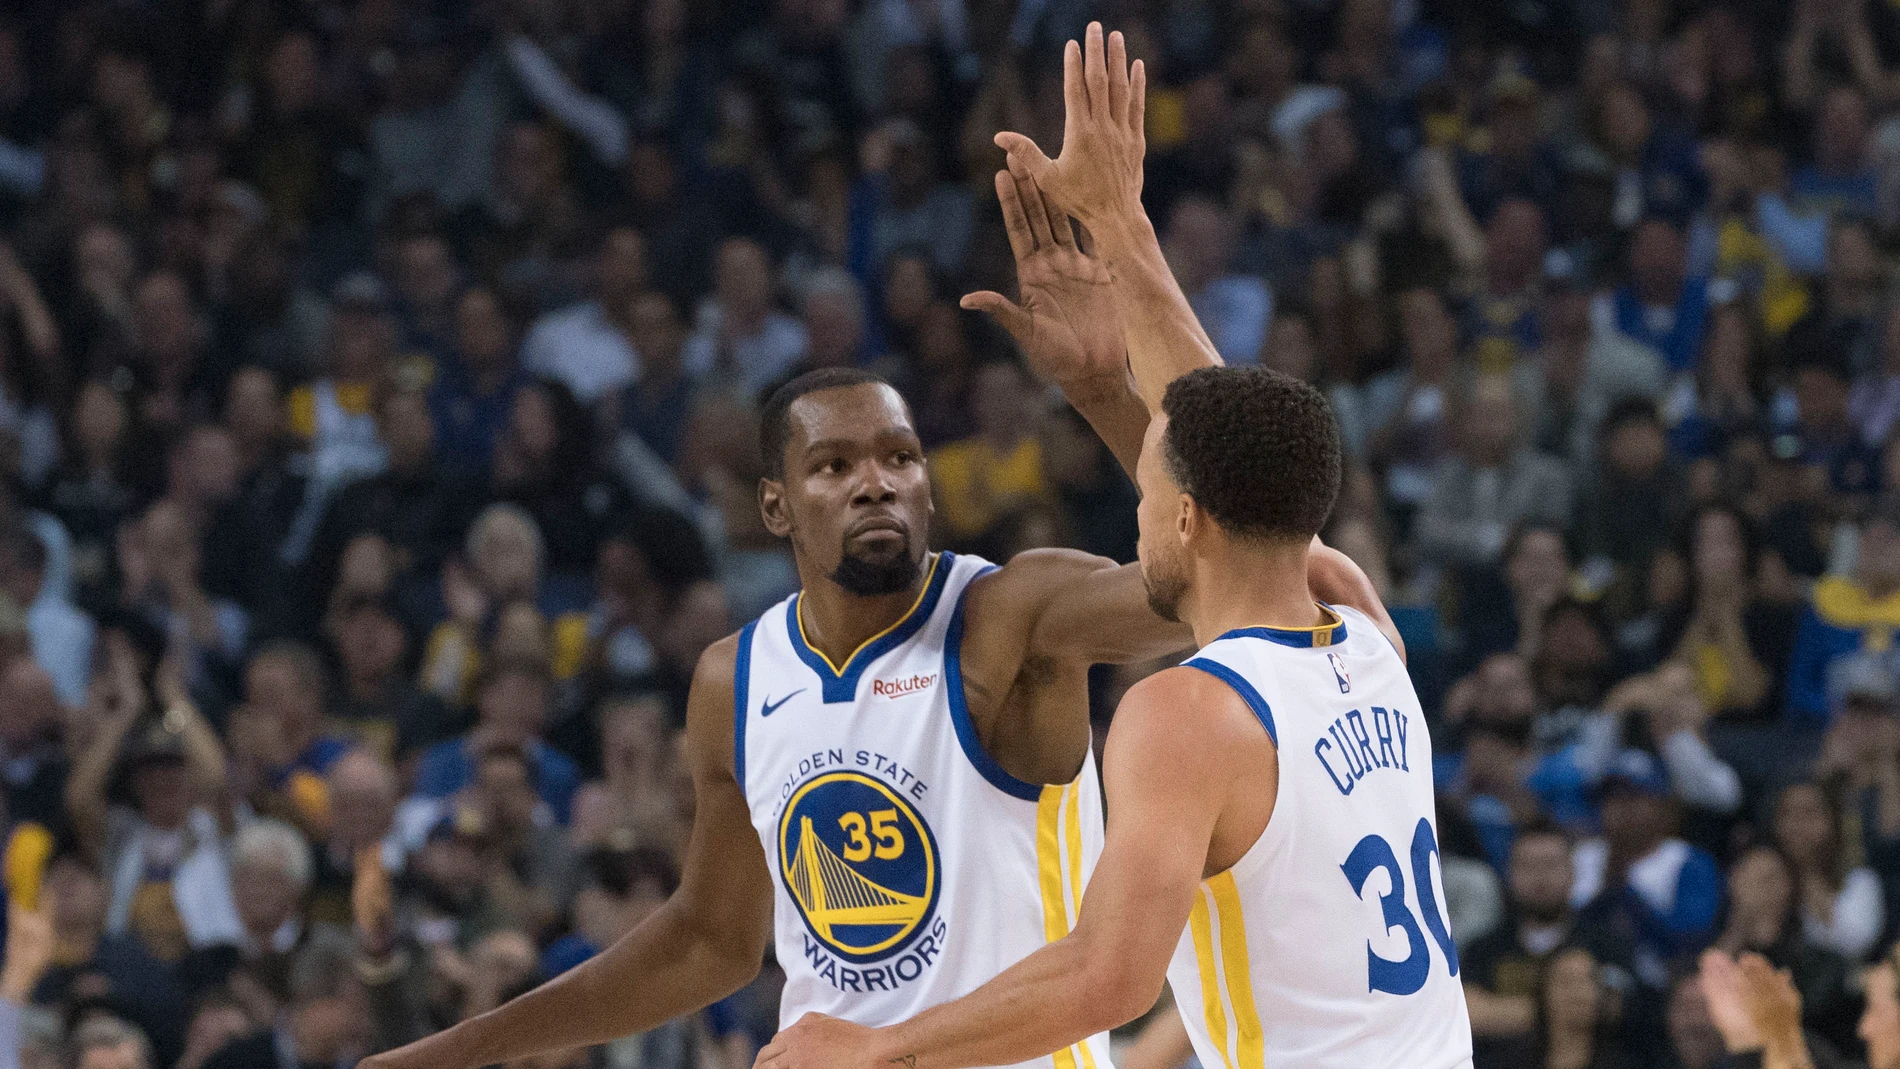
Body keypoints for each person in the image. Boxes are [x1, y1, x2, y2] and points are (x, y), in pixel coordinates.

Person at [357, 26, 1390, 1069]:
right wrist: (464, 1048)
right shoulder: (733, 679)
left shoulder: (1009, 613)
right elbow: (711, 941)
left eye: (900, 457)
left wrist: (1098, 390)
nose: (876, 481)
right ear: (775, 508)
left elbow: (1230, 565)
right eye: (835, 465)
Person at [755, 25, 1465, 1069]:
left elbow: (1109, 976)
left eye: (1149, 491)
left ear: (1185, 518)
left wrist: (880, 1048)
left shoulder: (1186, 710)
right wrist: (1114, 264)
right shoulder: (1362, 630)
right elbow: (1235, 453)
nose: (1135, 506)